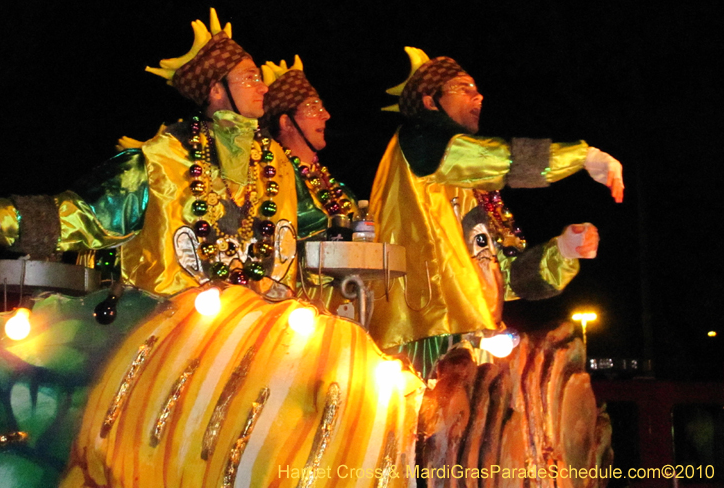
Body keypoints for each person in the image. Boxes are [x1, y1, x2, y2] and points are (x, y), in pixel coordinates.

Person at [0, 9, 298, 298]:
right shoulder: (162, 158)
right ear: (216, 90)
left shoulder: (277, 163)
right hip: (176, 326)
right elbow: (89, 215)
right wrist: (5, 216)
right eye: (250, 78)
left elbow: (314, 227)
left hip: (267, 328)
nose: (263, 87)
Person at [368, 47, 623, 376]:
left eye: (476, 88)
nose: (479, 96)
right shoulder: (420, 140)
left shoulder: (472, 186)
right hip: (424, 331)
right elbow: (501, 160)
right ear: (430, 102)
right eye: (464, 88)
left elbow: (509, 277)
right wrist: (580, 157)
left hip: (475, 338)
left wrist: (563, 250)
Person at [260, 56, 358, 311]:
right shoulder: (274, 177)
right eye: (313, 108)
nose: (325, 115)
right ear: (286, 122)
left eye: (321, 107)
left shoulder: (329, 183)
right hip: (301, 306)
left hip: (344, 301)